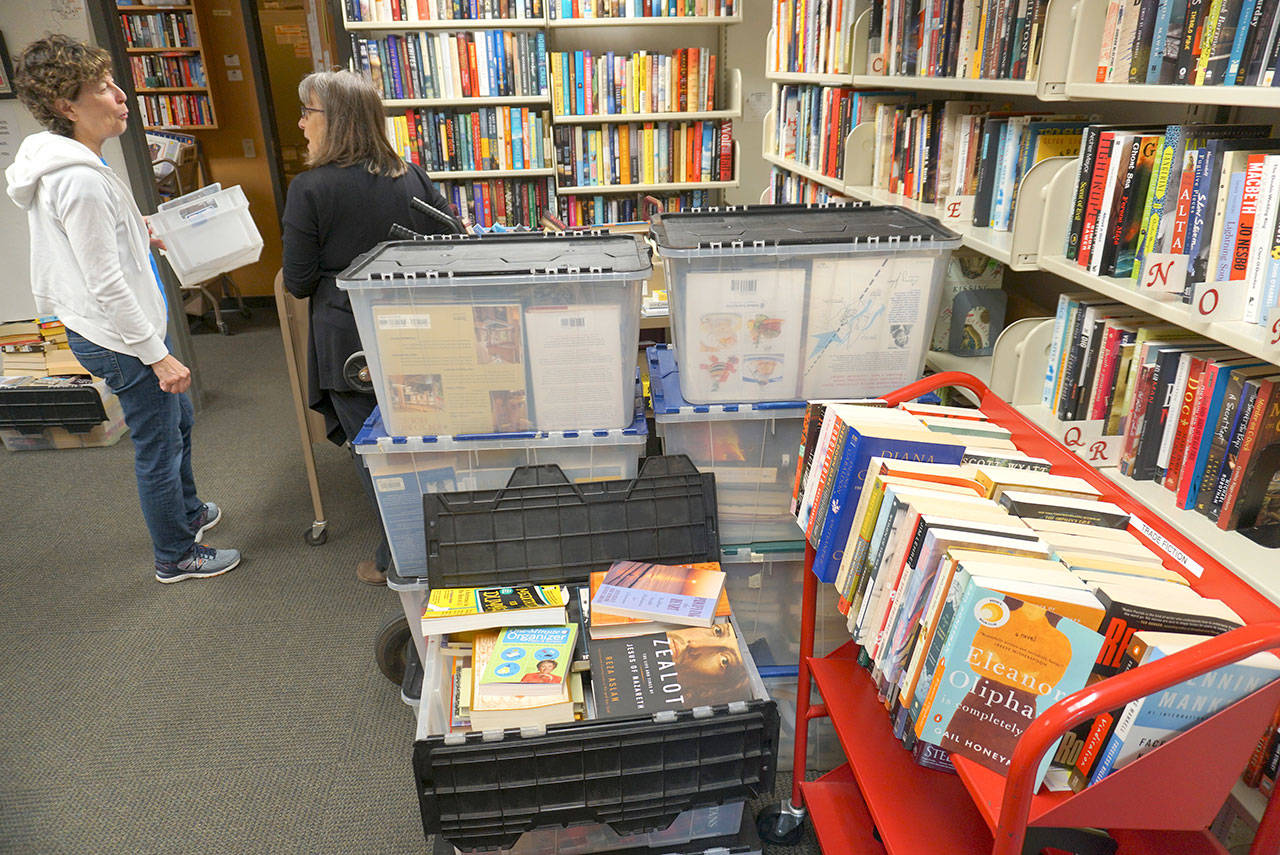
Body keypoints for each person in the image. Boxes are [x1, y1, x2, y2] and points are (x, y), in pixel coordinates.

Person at [4, 35, 239, 584]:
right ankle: (175, 555)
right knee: (157, 444)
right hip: (118, 333)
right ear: (68, 107)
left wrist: (141, 234)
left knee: (176, 420)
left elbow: (95, 246)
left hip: (124, 326)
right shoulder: (79, 179)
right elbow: (104, 281)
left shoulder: (75, 158)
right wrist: (157, 357)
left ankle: (186, 514)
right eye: (103, 88)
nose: (120, 95)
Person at [281, 70, 454, 586]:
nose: (300, 123)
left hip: (350, 339)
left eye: (307, 113)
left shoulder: (309, 188)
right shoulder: (414, 177)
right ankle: (442, 543)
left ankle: (395, 556)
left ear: (334, 122)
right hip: (417, 331)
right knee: (424, 442)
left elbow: (298, 280)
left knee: (375, 452)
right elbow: (449, 245)